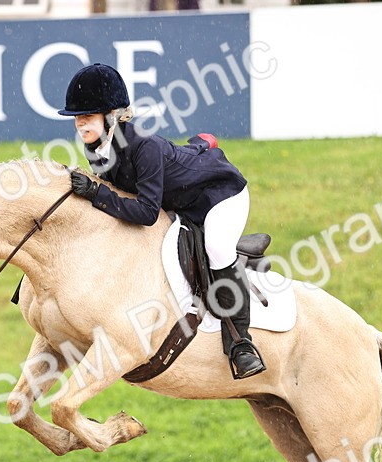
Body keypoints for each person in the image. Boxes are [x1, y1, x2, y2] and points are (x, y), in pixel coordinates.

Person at [58, 63, 266, 380]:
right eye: (77, 116)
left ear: (112, 115)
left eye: (88, 114)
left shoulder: (144, 146)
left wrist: (97, 194)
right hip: (180, 199)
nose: (80, 122)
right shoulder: (98, 147)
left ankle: (241, 345)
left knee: (217, 248)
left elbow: (145, 213)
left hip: (219, 195)